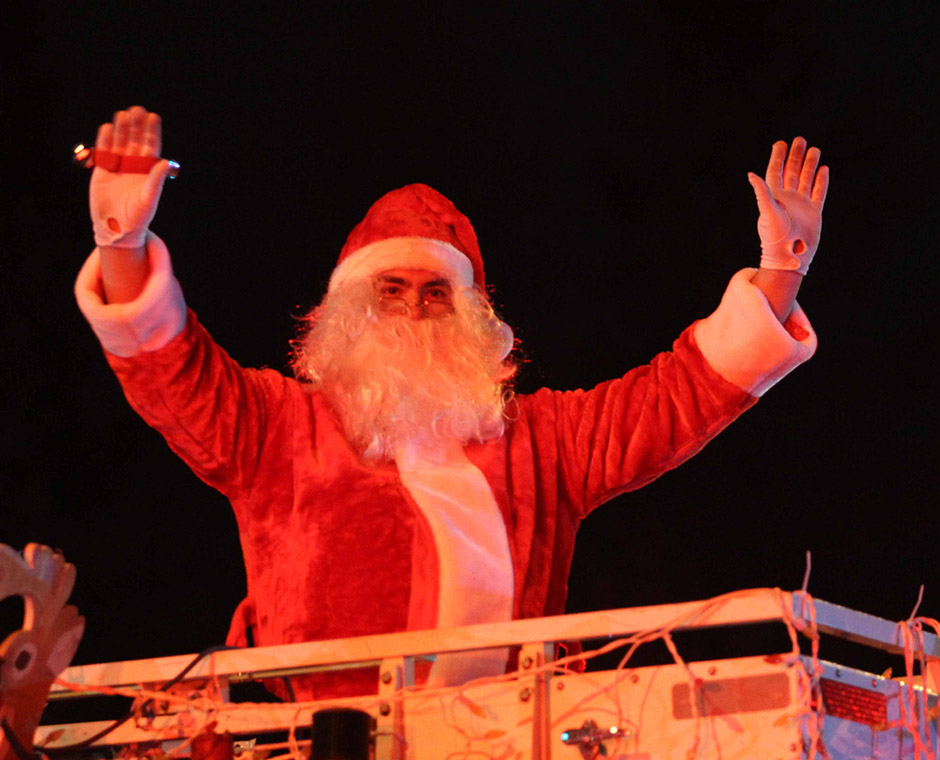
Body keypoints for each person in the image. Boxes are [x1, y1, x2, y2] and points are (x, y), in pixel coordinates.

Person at [75, 106, 828, 698]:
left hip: (506, 742)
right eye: (391, 291)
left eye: (437, 294)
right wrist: (121, 238)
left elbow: (673, 399)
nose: (413, 311)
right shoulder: (279, 430)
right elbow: (170, 370)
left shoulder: (540, 442)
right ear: (349, 312)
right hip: (324, 745)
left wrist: (779, 272)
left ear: (471, 317)